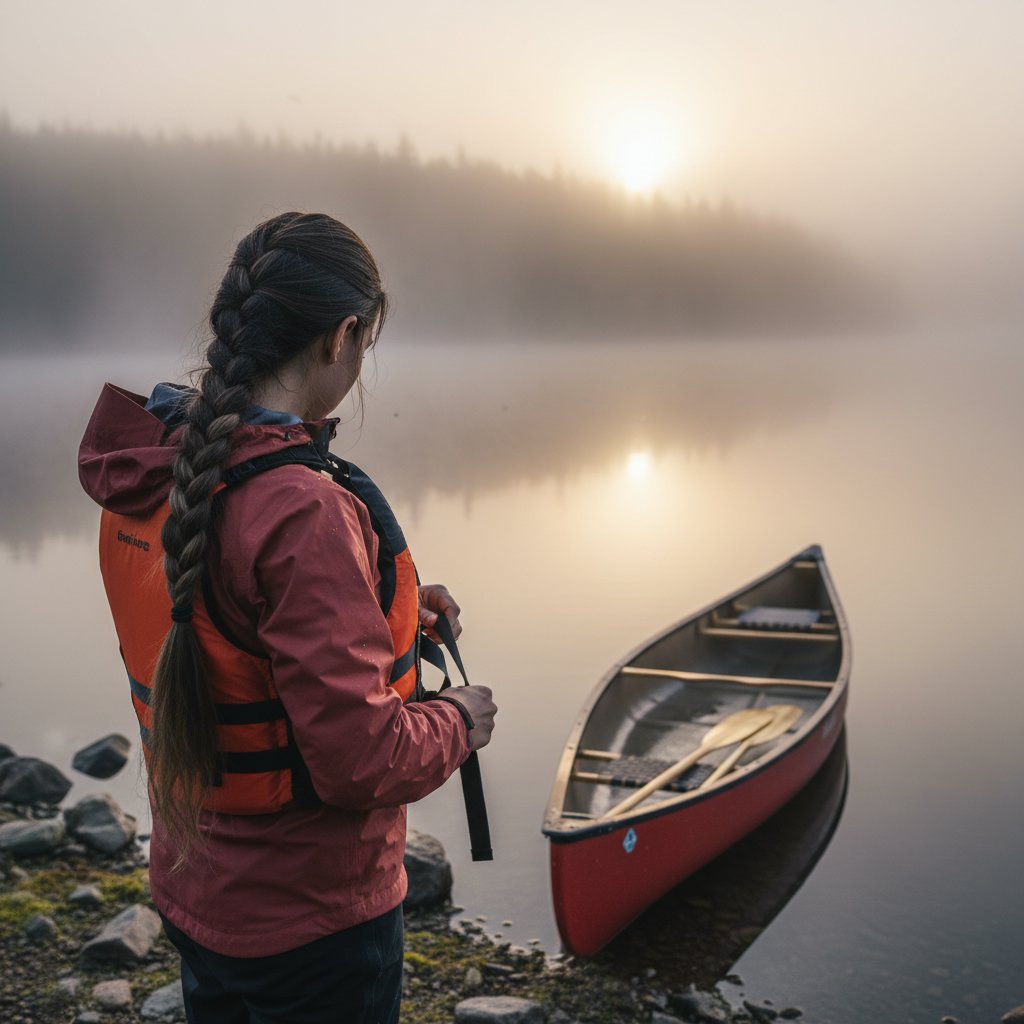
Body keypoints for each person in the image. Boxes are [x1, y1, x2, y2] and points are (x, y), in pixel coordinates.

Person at [77, 211, 498, 1024]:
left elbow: (226, 628)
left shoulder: (155, 467)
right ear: (340, 337)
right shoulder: (300, 511)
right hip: (312, 922)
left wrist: (392, 618)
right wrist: (458, 719)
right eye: (365, 347)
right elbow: (360, 761)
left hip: (197, 889)